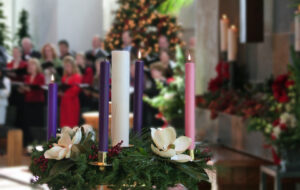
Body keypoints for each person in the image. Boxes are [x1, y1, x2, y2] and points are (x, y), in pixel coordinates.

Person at [19, 58, 45, 145]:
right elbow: (27, 89)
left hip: (37, 103)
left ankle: (38, 143)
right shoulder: (27, 77)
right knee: (27, 123)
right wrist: (23, 89)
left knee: (36, 123)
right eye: (29, 65)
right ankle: (29, 143)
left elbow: (40, 89)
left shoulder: (40, 76)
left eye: (32, 64)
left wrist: (29, 89)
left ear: (37, 66)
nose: (30, 66)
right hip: (28, 102)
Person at [60, 56, 81, 127]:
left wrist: (64, 93)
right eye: (65, 66)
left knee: (72, 123)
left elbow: (75, 90)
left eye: (68, 66)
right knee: (64, 123)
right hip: (64, 102)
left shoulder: (77, 76)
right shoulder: (64, 77)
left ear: (73, 66)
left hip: (72, 103)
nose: (67, 68)